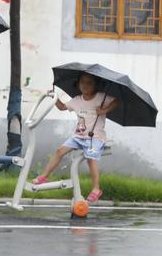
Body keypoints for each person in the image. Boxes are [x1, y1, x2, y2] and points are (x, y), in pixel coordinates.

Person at [33, 73, 119, 202]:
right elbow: (62, 107)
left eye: (89, 83)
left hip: (95, 137)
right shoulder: (77, 100)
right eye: (82, 82)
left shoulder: (100, 97)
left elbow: (116, 101)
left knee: (91, 158)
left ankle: (96, 188)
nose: (85, 85)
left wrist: (104, 110)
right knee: (59, 151)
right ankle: (45, 176)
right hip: (78, 136)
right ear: (78, 84)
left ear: (96, 85)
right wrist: (54, 97)